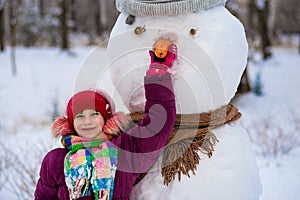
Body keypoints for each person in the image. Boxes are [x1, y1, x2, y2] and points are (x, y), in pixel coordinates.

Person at [34, 43, 178, 200]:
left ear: (106, 119)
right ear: (70, 123)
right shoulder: (55, 161)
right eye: (79, 116)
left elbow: (157, 124)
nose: (87, 121)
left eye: (94, 114)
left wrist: (158, 72)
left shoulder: (125, 151)